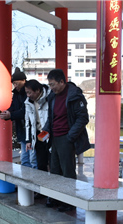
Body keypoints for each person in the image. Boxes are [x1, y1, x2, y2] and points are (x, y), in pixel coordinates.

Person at [43, 69, 90, 212]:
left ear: (62, 82)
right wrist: (45, 131)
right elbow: (51, 118)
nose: (51, 88)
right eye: (49, 85)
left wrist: (70, 137)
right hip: (54, 137)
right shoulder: (52, 96)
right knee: (55, 169)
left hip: (67, 137)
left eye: (53, 84)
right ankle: (56, 198)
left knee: (68, 171)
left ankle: (69, 201)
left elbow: (83, 118)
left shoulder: (75, 95)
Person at [0, 67, 31, 167]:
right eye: (14, 83)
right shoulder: (16, 94)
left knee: (32, 160)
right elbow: (13, 106)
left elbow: (26, 111)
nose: (15, 85)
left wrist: (11, 115)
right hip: (22, 130)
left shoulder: (29, 92)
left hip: (31, 130)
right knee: (25, 160)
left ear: (23, 81)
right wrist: (7, 113)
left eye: (17, 83)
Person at [24, 79, 51, 171]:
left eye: (29, 92)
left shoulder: (50, 97)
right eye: (26, 93)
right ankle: (43, 183)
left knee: (53, 163)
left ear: (38, 90)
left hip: (51, 135)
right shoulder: (28, 102)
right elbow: (28, 122)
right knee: (41, 163)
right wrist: (28, 140)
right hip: (39, 135)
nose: (28, 95)